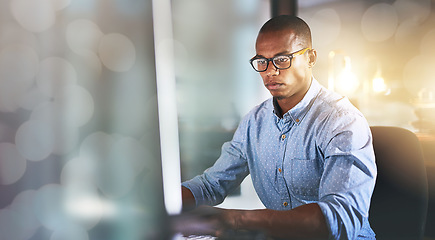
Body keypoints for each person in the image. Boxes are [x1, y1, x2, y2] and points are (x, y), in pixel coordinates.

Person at [180, 15, 377, 240]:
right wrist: (158, 203)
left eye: (282, 59)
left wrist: (236, 219)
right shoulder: (255, 121)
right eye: (262, 61)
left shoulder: (342, 121)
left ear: (311, 58)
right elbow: (211, 185)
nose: (270, 72)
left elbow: (340, 220)